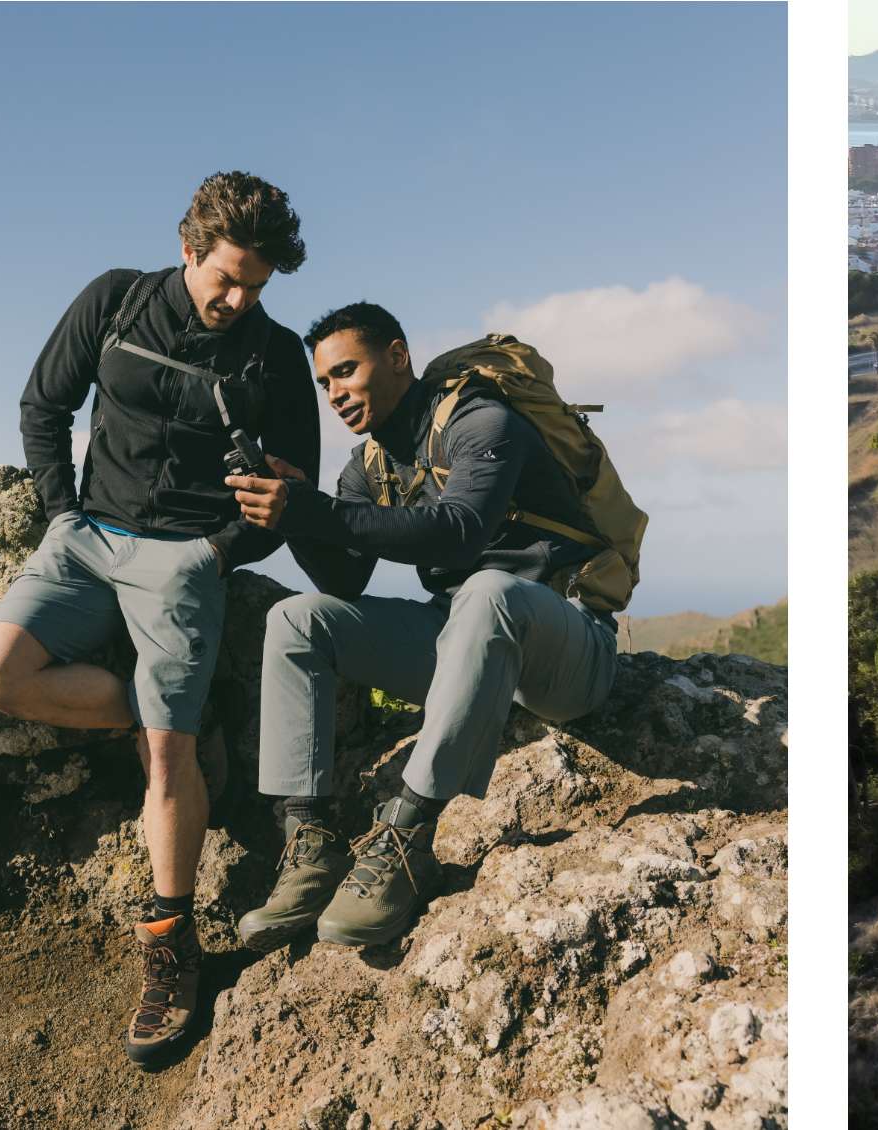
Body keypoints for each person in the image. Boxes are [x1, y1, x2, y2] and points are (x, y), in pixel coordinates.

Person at [0, 171, 319, 1064]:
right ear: (188, 248)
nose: (238, 300)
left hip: (185, 558)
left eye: (256, 286)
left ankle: (170, 945)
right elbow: (43, 404)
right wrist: (59, 514)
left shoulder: (272, 355)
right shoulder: (114, 300)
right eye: (227, 278)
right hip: (83, 537)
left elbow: (295, 488)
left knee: (166, 758)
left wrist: (218, 552)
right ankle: (165, 710)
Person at [228, 302, 620, 952]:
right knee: (297, 619)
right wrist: (296, 515)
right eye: (325, 382)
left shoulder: (483, 422)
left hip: (565, 651)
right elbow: (345, 581)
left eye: (347, 371)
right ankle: (311, 843)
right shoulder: (369, 465)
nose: (336, 393)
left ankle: (406, 835)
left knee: (493, 589)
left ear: (398, 356)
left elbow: (461, 531)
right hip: (463, 644)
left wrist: (320, 513)